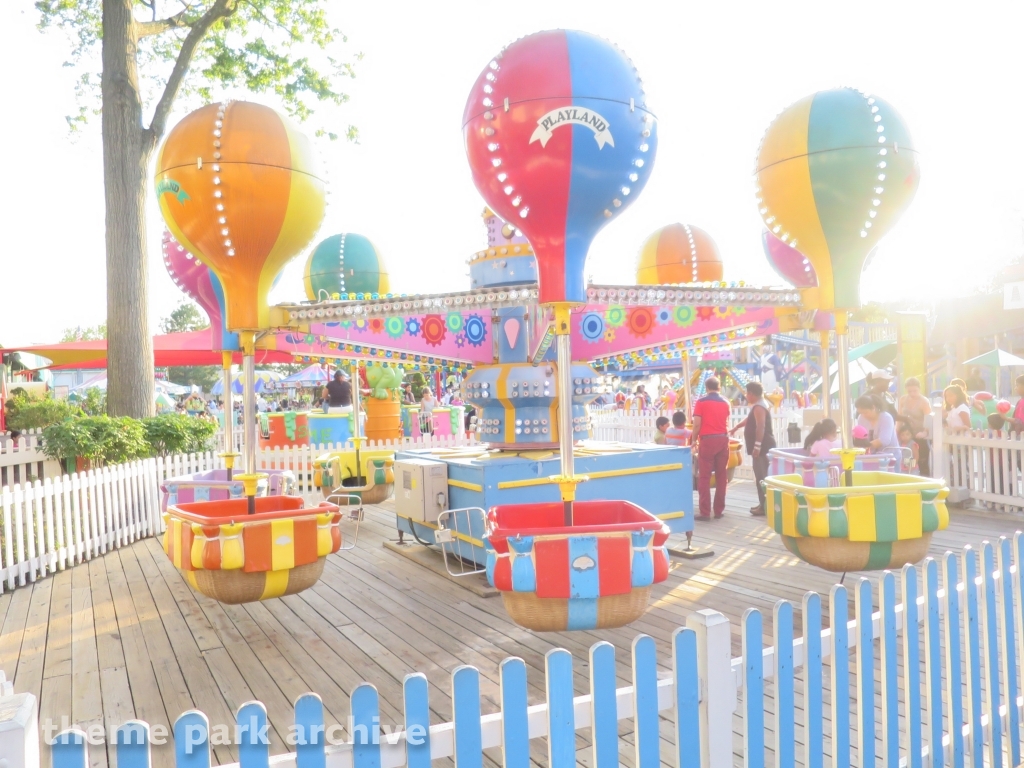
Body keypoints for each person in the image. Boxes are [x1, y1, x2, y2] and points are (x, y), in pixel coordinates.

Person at [729, 381, 775, 516]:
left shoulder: (759, 407)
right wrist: (737, 427)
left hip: (763, 447)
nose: (746, 396)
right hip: (763, 446)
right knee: (761, 476)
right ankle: (763, 504)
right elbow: (750, 420)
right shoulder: (759, 405)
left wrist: (757, 445)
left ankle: (765, 506)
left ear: (751, 394)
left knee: (762, 476)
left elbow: (760, 426)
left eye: (747, 393)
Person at [691, 377, 731, 520]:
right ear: (719, 387)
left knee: (704, 476)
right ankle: (719, 510)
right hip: (723, 439)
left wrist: (693, 440)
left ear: (707, 388)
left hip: (707, 440)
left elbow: (697, 424)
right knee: (722, 475)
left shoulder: (701, 402)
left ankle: (705, 511)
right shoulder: (726, 402)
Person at [855, 394, 902, 469]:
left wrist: (866, 447)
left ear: (873, 408)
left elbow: (884, 440)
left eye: (865, 412)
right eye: (861, 413)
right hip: (871, 458)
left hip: (890, 458)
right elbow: (861, 436)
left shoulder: (886, 418)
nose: (863, 415)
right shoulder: (861, 418)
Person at [898, 377, 932, 475]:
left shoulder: (924, 401)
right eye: (909, 391)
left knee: (920, 460)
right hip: (907, 435)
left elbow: (929, 419)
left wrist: (924, 432)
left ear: (919, 389)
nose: (912, 393)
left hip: (919, 436)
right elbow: (899, 417)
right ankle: (909, 475)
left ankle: (923, 478)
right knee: (907, 458)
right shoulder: (903, 399)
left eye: (915, 391)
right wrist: (897, 431)